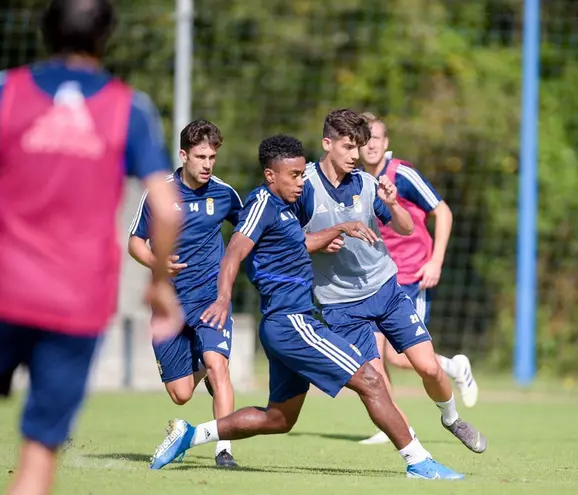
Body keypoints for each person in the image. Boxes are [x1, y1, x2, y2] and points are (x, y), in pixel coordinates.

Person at [148, 134, 464, 480]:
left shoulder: (284, 210)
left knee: (279, 419)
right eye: (294, 176)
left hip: (286, 326)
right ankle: (418, 461)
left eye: (302, 174)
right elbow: (235, 251)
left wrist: (339, 228)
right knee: (371, 380)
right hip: (292, 322)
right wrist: (223, 297)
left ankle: (190, 435)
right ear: (271, 176)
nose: (301, 182)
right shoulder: (262, 204)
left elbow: (300, 243)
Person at [0, 1, 183, 494]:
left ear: (44, 32)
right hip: (74, 302)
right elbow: (167, 209)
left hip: (5, 287)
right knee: (38, 455)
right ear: (107, 38)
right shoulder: (130, 107)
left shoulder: (7, 91)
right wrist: (160, 286)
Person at [295, 109, 487, 454]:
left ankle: (451, 419)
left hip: (385, 289)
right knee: (375, 383)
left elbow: (406, 227)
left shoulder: (369, 184)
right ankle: (414, 452)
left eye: (360, 147)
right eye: (348, 148)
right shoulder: (303, 185)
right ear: (327, 144)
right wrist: (323, 239)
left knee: (427, 367)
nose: (356, 156)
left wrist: (393, 204)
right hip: (340, 304)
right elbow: (287, 240)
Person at [355, 112, 478, 446]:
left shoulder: (402, 173)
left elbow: (443, 211)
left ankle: (453, 367)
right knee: (374, 355)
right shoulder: (355, 179)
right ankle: (396, 426)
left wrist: (436, 261)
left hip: (412, 274)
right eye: (365, 138)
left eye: (377, 137)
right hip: (377, 278)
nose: (371, 144)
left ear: (386, 142)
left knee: (399, 356)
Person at [128, 119, 242, 465]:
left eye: (212, 157)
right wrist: (157, 264)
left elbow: (249, 230)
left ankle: (224, 451)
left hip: (211, 300)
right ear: (183, 155)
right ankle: (205, 366)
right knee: (180, 395)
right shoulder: (160, 193)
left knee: (217, 364)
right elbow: (135, 242)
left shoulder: (224, 194)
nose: (208, 164)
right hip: (170, 306)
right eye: (201, 156)